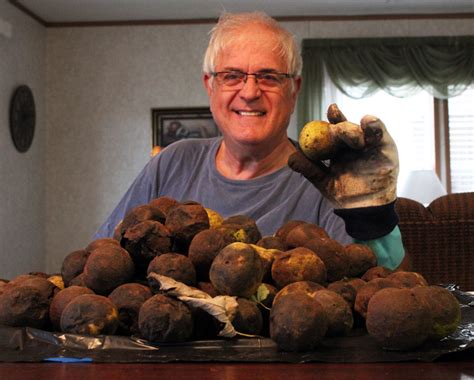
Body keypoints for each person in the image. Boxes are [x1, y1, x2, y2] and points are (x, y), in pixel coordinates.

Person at [94, 12, 407, 270]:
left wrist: (373, 222)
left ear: (294, 89)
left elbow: (395, 301)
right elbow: (98, 266)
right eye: (232, 76)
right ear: (210, 85)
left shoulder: (330, 181)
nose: (249, 92)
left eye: (269, 76)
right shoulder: (172, 162)